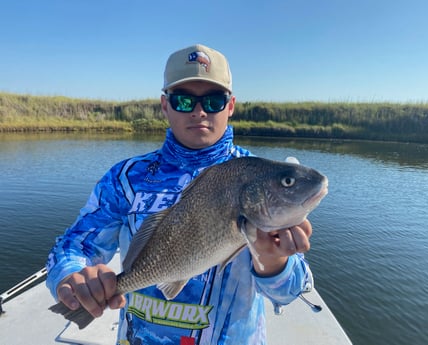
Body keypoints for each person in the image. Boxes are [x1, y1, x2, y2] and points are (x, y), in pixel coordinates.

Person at [46, 44, 314, 345]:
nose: (199, 111)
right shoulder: (125, 179)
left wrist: (273, 261)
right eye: (184, 101)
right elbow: (72, 246)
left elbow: (291, 291)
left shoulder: (262, 182)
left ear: (231, 106)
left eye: (213, 100)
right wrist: (72, 276)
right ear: (165, 105)